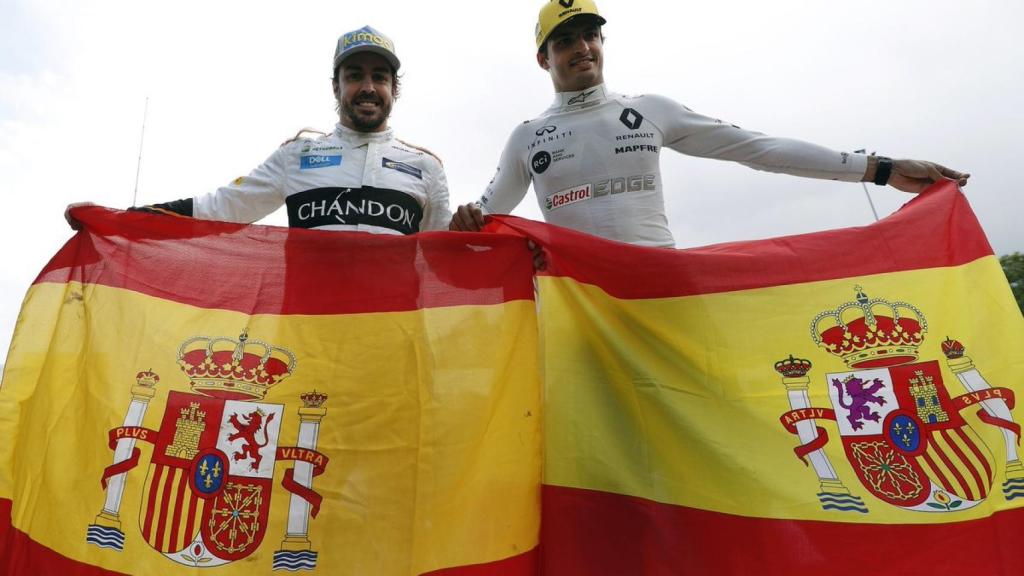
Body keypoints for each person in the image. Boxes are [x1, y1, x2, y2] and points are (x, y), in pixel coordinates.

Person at [448, 0, 968, 247]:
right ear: (544, 59)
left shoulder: (651, 109)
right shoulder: (527, 136)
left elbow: (759, 148)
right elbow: (480, 226)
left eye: (590, 35)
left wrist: (880, 169)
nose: (581, 47)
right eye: (565, 40)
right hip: (575, 303)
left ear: (603, 43)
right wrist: (466, 223)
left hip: (663, 289)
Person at [67, 25, 450, 235]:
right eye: (354, 76)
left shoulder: (427, 168)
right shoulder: (295, 156)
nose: (368, 87)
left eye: (379, 77)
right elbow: (219, 209)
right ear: (336, 86)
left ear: (394, 88)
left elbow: (444, 259)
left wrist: (479, 228)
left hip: (394, 340)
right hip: (307, 334)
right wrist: (118, 219)